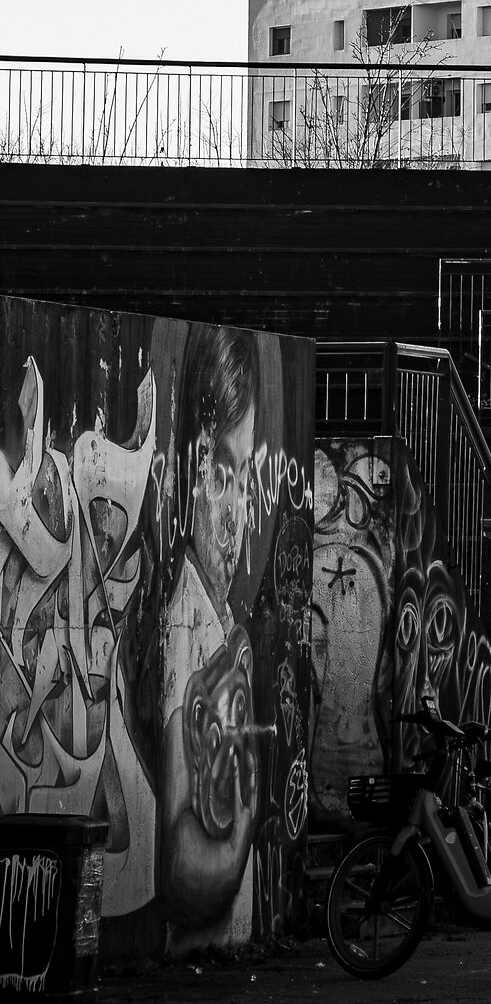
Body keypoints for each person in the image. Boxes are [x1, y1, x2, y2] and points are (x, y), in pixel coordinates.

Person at [159, 324, 263, 951]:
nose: (236, 513)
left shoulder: (220, 620)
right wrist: (247, 823)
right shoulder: (186, 620)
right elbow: (178, 866)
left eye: (244, 478)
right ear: (194, 464)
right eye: (223, 472)